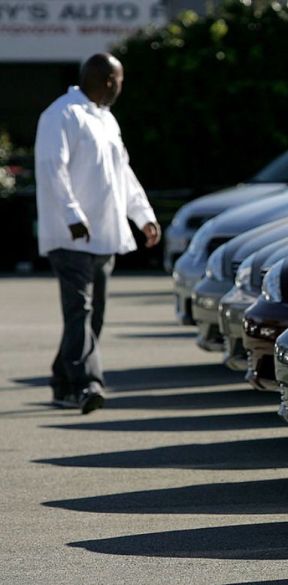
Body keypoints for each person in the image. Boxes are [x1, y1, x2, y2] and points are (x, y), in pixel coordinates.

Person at [35, 53, 160, 414]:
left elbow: (123, 174)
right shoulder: (62, 114)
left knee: (94, 314)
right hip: (69, 235)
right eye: (119, 81)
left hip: (105, 234)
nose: (121, 87)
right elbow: (50, 167)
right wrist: (72, 214)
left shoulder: (106, 120)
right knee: (80, 310)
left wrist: (143, 215)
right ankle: (86, 385)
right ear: (107, 80)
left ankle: (61, 380)